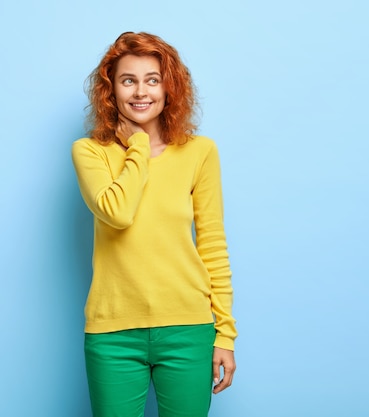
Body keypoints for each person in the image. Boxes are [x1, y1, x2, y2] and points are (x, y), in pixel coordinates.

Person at [71, 31, 237, 417]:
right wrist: (140, 148)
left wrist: (225, 334)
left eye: (152, 79)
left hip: (188, 328)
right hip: (112, 332)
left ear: (169, 87)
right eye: (128, 80)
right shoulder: (90, 152)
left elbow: (212, 244)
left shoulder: (199, 152)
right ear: (111, 90)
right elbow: (117, 212)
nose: (141, 92)